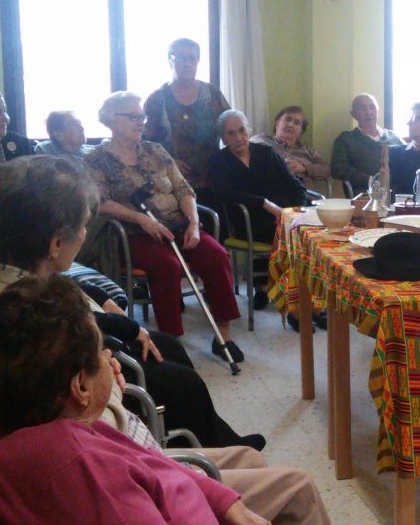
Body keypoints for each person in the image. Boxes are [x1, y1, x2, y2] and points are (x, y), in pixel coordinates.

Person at [0, 276, 342, 525]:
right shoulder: (79, 472)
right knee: (295, 492)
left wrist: (224, 500)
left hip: (193, 520)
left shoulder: (15, 429)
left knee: (268, 477)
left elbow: (150, 462)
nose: (110, 359)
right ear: (79, 386)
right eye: (101, 352)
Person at [0, 156, 263, 450]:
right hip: (69, 419)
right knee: (182, 383)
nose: (83, 237)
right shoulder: (41, 311)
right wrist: (107, 361)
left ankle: (218, 437)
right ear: (57, 242)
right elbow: (92, 405)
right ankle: (211, 449)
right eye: (83, 228)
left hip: (30, 395)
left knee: (167, 347)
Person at [84, 91, 242, 358]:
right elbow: (101, 201)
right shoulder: (96, 159)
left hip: (179, 225)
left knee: (216, 255)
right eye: (132, 116)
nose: (140, 122)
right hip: (134, 233)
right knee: (168, 265)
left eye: (141, 116)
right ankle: (171, 342)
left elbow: (184, 190)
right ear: (110, 120)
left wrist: (193, 222)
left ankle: (222, 336)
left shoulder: (156, 151)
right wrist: (141, 219)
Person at [210, 110, 306, 311]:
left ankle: (301, 294)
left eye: (241, 130)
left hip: (282, 215)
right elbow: (225, 194)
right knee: (282, 233)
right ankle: (284, 297)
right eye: (231, 133)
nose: (238, 138)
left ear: (248, 130)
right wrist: (264, 203)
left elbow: (295, 186)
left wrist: (294, 211)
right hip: (245, 221)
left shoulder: (266, 153)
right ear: (223, 138)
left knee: (304, 229)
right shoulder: (219, 161)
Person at [143, 38, 231, 199]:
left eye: (192, 58)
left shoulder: (212, 93)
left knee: (216, 221)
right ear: (170, 60)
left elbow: (230, 128)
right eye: (181, 57)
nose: (187, 63)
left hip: (213, 176)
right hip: (173, 182)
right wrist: (168, 161)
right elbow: (145, 144)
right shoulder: (157, 100)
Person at [330, 93, 401, 193]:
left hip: (396, 194)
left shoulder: (394, 138)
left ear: (377, 110)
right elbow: (338, 169)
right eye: (363, 109)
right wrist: (372, 181)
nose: (369, 112)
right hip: (364, 195)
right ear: (353, 114)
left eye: (372, 107)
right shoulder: (345, 139)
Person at [250, 106, 330, 190]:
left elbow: (326, 169)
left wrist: (303, 168)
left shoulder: (308, 151)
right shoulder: (260, 140)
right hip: (270, 196)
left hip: (305, 198)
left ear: (301, 131)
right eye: (288, 119)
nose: (291, 125)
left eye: (297, 123)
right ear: (277, 123)